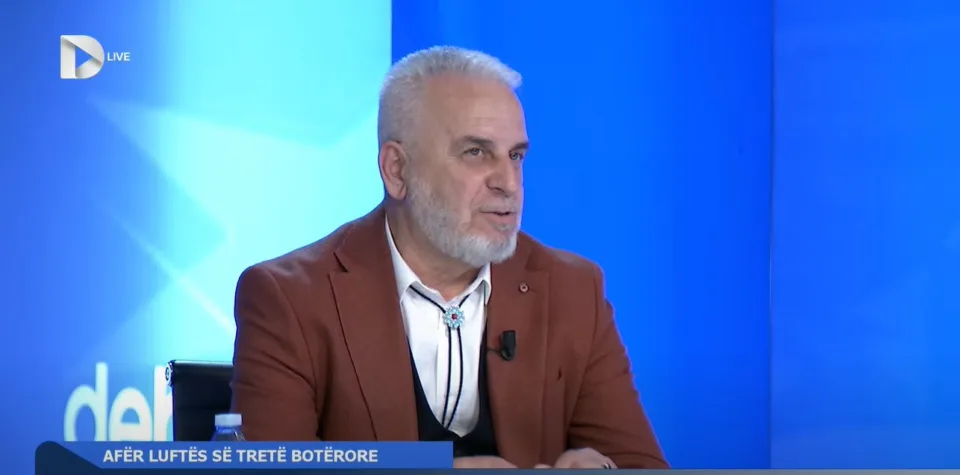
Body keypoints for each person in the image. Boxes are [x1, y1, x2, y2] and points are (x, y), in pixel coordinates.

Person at [230, 45, 668, 469]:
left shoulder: (573, 290)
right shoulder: (289, 300)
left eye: (516, 156)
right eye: (476, 152)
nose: (509, 183)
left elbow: (639, 464)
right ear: (397, 170)